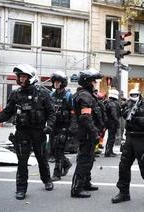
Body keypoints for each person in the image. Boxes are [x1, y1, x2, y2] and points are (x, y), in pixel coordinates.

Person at [0, 64, 55, 200]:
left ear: (31, 77)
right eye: (19, 76)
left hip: (39, 132)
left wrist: (49, 126)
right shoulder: (15, 94)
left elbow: (51, 113)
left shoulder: (43, 93)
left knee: (42, 159)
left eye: (24, 76)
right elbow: (6, 113)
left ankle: (47, 180)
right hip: (22, 133)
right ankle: (21, 189)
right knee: (22, 162)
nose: (21, 79)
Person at [71, 68, 104, 198]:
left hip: (88, 133)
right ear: (87, 82)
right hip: (86, 133)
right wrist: (95, 132)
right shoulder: (85, 96)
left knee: (89, 159)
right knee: (84, 160)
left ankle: (85, 183)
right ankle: (76, 189)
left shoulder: (88, 94)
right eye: (93, 81)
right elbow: (86, 117)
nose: (95, 83)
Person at [49, 71, 73, 181]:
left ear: (63, 83)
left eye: (58, 82)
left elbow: (74, 112)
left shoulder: (68, 96)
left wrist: (72, 127)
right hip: (53, 125)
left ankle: (56, 173)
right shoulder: (51, 95)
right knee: (53, 150)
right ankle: (67, 163)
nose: (56, 84)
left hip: (64, 126)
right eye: (55, 82)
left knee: (59, 150)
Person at [104, 89, 121, 157]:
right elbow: (114, 114)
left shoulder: (106, 102)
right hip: (112, 122)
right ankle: (109, 151)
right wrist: (117, 122)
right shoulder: (113, 103)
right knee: (111, 137)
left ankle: (108, 150)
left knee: (109, 137)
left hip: (107, 121)